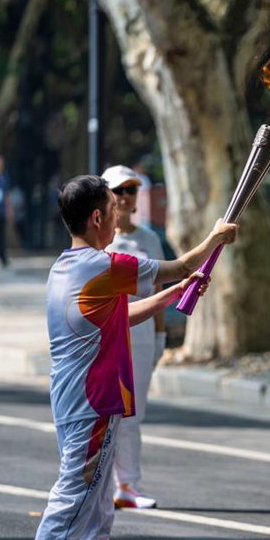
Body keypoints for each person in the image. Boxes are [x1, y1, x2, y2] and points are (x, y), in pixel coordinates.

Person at [10, 174, 237, 540]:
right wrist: (216, 238)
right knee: (72, 507)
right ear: (96, 218)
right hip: (92, 402)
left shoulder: (68, 267)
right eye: (114, 210)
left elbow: (116, 313)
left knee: (95, 513)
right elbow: (182, 262)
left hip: (85, 401)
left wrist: (173, 295)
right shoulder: (102, 263)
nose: (121, 218)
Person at [102, 165, 166, 510]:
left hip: (140, 336)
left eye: (130, 189)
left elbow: (157, 288)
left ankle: (127, 485)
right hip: (107, 336)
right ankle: (97, 482)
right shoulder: (100, 240)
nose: (125, 197)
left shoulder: (149, 238)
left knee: (133, 413)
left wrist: (159, 338)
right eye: (118, 190)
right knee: (106, 414)